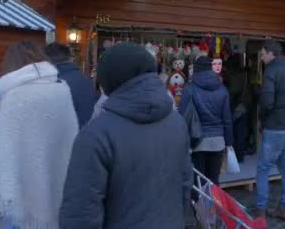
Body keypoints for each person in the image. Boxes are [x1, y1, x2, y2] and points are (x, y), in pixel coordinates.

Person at [59, 43, 192, 228]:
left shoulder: (96, 136)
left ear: (108, 81)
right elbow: (185, 186)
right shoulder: (176, 122)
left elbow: (80, 216)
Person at [0, 41, 78, 228]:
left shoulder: (13, 97)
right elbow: (71, 141)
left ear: (10, 65)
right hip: (58, 186)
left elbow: (2, 154)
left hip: (19, 202)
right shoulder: (62, 90)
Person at [253, 41, 285, 221]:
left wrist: (263, 121)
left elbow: (266, 103)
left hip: (273, 128)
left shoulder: (271, 72)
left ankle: (259, 212)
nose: (261, 56)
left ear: (271, 53)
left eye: (263, 53)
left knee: (263, 169)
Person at [179, 56, 233, 186]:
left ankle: (198, 206)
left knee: (198, 181)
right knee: (214, 181)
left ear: (196, 70)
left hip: (196, 140)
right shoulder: (222, 89)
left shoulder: (189, 89)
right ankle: (213, 206)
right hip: (218, 141)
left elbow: (182, 116)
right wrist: (229, 142)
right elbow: (227, 119)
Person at [45, 43, 98, 128]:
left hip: (68, 136)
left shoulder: (55, 83)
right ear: (69, 58)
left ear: (48, 61)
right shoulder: (85, 79)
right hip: (87, 133)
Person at [225, 54, 252, 163]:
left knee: (233, 132)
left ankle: (233, 157)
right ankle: (239, 156)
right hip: (243, 106)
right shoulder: (245, 74)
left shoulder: (231, 75)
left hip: (234, 106)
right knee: (241, 133)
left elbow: (232, 91)